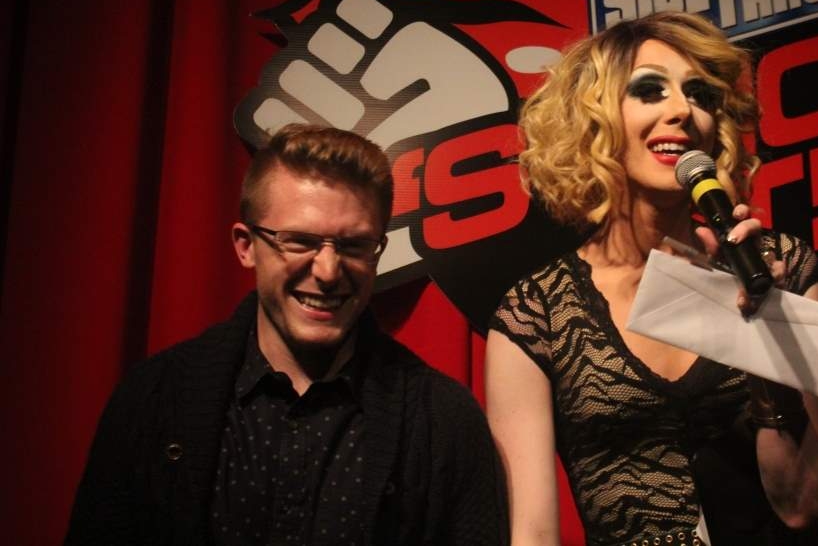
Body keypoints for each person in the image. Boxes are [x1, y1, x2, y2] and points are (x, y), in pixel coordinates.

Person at [486, 12, 818, 545]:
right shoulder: (538, 312)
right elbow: (531, 533)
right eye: (649, 90)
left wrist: (769, 343)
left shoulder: (778, 268)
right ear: (594, 119)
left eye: (700, 95)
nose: (682, 110)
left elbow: (803, 506)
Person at [67, 124, 509, 545]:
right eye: (299, 241)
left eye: (354, 245)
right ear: (246, 246)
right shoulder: (153, 399)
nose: (328, 271)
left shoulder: (444, 422)